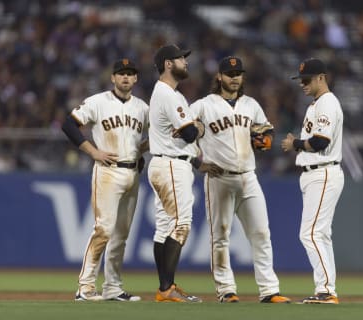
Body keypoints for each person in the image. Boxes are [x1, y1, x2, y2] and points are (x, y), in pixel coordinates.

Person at [190, 56, 291, 304]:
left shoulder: (251, 104)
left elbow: (265, 129)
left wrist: (265, 137)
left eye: (238, 73)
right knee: (220, 236)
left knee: (261, 234)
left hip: (248, 176)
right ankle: (226, 290)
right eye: (229, 73)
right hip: (218, 178)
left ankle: (269, 291)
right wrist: (197, 161)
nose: (234, 77)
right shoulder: (203, 105)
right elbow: (181, 133)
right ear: (219, 77)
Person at [61, 59, 149, 301]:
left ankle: (113, 287)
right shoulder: (98, 102)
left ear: (136, 79)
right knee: (103, 229)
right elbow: (68, 124)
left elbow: (159, 134)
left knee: (121, 234)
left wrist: (141, 150)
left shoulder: (142, 107)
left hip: (133, 172)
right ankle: (85, 287)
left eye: (130, 74)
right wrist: (93, 151)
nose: (125, 78)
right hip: (107, 170)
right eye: (121, 73)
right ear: (112, 77)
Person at [148, 44, 213, 303]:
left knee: (164, 227)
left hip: (165, 163)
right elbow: (188, 134)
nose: (185, 62)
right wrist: (198, 127)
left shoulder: (163, 93)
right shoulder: (169, 95)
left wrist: (196, 162)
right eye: (180, 58)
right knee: (181, 225)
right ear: (167, 64)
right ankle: (166, 289)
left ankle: (166, 287)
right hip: (172, 166)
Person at [281, 58, 344, 304]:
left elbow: (320, 142)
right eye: (300, 80)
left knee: (310, 233)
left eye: (306, 80)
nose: (302, 84)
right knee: (320, 234)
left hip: (323, 172)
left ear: (321, 77)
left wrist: (295, 143)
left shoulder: (327, 103)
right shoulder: (316, 104)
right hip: (314, 174)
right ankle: (327, 289)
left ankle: (326, 290)